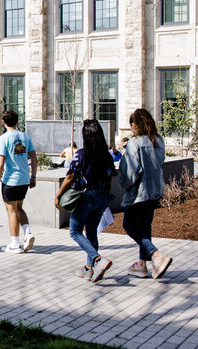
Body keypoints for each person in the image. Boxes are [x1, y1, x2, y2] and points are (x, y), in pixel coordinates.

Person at [55, 119, 116, 282]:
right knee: (91, 232)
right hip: (102, 197)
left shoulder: (81, 155)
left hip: (86, 197)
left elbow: (70, 177)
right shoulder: (107, 156)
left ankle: (98, 259)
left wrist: (59, 195)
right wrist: (104, 196)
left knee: (75, 231)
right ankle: (89, 269)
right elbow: (110, 177)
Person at [119, 108, 173, 279]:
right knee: (144, 226)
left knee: (129, 225)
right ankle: (142, 265)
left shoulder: (135, 143)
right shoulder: (158, 140)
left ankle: (156, 255)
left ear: (135, 124)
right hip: (155, 190)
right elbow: (160, 162)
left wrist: (123, 184)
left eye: (132, 124)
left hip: (138, 193)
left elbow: (131, 171)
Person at [0, 109, 38, 253]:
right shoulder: (25, 137)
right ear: (17, 121)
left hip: (10, 180)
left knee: (11, 211)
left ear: (3, 122)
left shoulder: (3, 139)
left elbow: (0, 162)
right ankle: (28, 232)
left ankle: (14, 243)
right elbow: (34, 158)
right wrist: (33, 177)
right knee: (19, 208)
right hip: (24, 179)